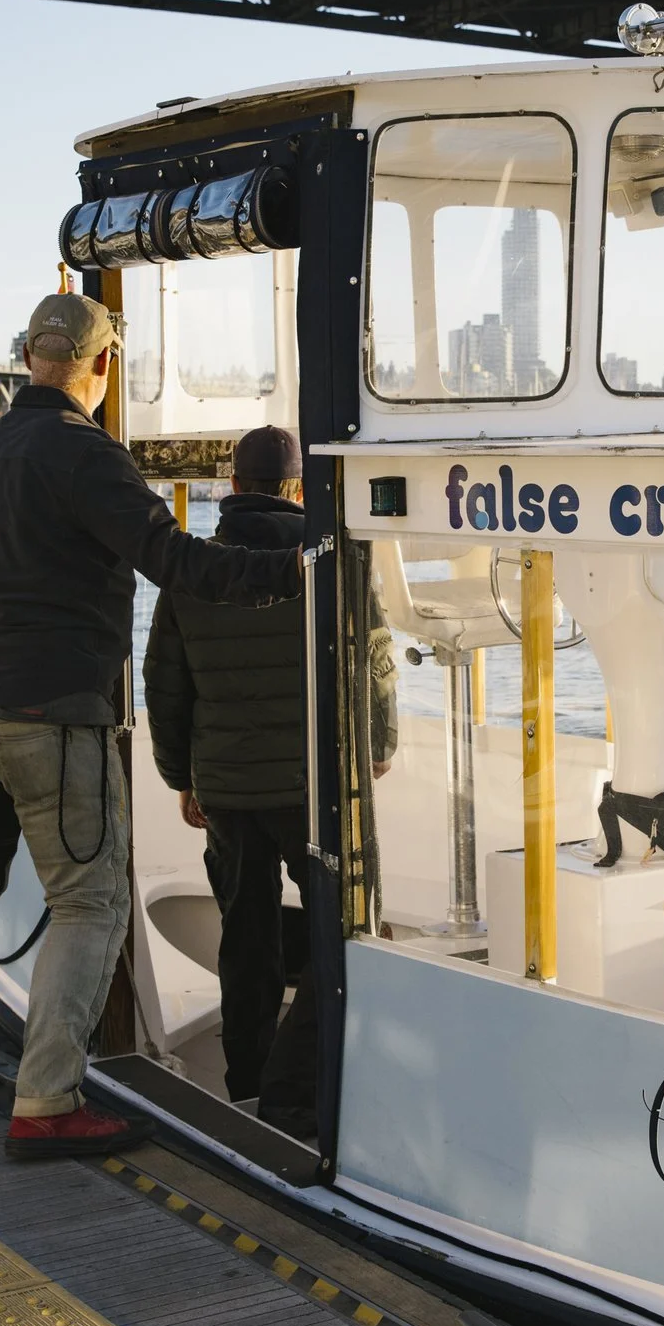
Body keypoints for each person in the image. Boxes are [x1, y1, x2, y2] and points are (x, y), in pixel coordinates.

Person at [0, 293, 302, 1160]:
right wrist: (300, 566)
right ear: (103, 366)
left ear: (27, 357)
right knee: (91, 900)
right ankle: (47, 1099)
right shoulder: (88, 455)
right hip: (52, 712)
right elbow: (178, 563)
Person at [144, 426, 396, 1139]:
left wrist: (180, 777)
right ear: (296, 488)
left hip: (228, 791)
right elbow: (373, 658)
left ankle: (251, 1084)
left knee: (245, 942)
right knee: (336, 929)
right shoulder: (328, 557)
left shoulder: (194, 566)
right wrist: (378, 745)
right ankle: (305, 1084)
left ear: (232, 483)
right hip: (315, 786)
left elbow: (165, 685)